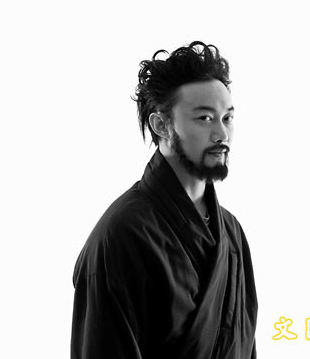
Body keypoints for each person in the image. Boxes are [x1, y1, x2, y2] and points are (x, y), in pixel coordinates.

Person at [70, 41, 258, 359]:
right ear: (161, 125)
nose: (222, 135)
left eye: (227, 118)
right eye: (205, 118)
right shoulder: (122, 234)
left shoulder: (232, 234)